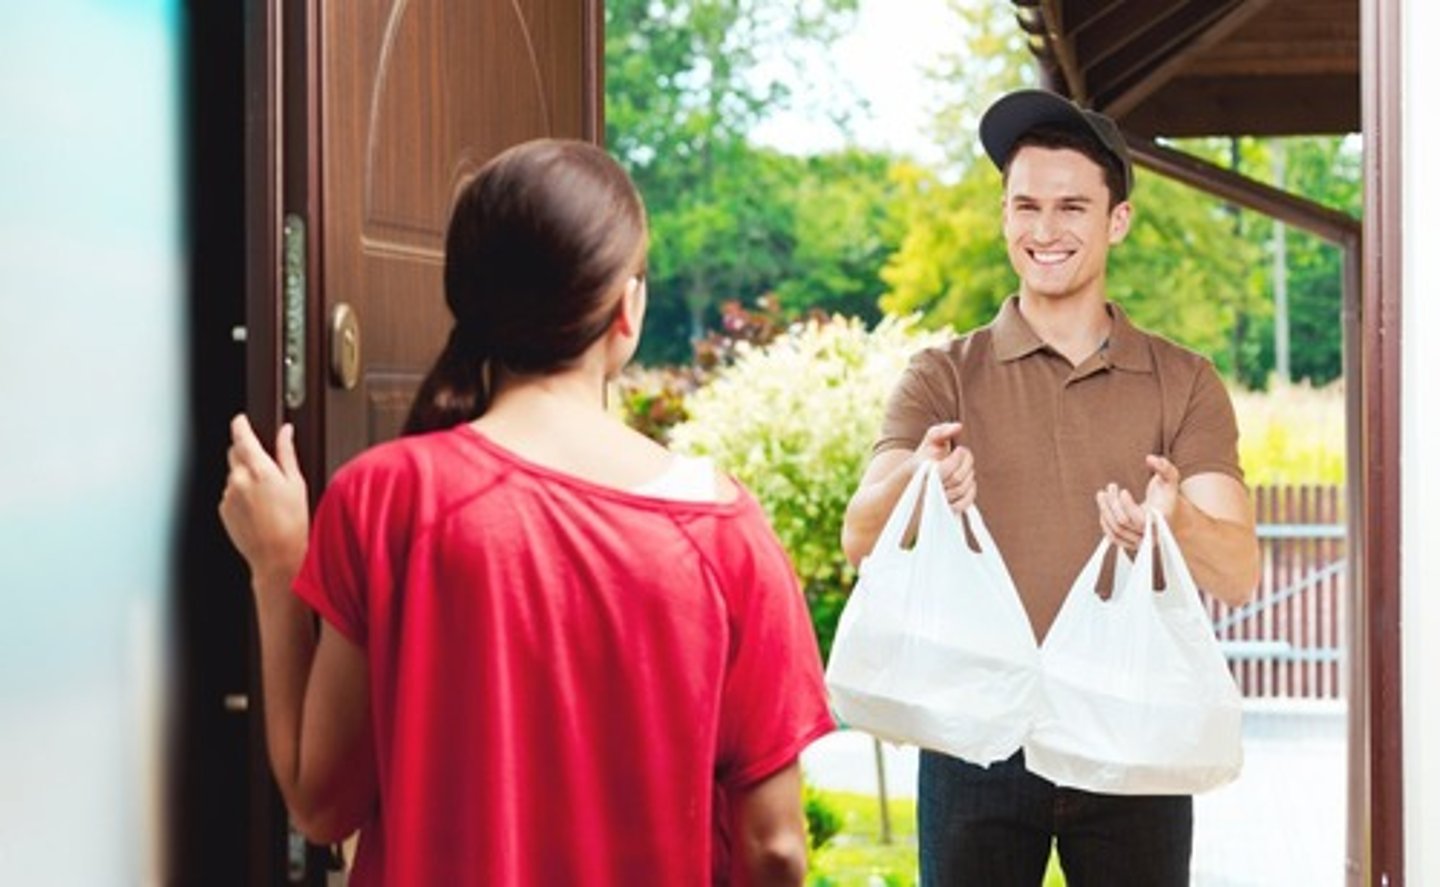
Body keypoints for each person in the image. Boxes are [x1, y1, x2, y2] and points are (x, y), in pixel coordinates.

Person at [219, 138, 834, 886]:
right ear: (626, 310)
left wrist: (279, 562)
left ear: (468, 297)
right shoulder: (727, 533)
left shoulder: (387, 497)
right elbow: (775, 851)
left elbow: (321, 806)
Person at [840, 90, 1261, 886]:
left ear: (1118, 221)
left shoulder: (1184, 382)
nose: (1045, 230)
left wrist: (1175, 525)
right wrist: (918, 479)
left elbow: (1238, 571)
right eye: (1026, 205)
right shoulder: (942, 377)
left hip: (1135, 740)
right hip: (976, 743)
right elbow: (858, 538)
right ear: (1003, 215)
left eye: (1072, 206)